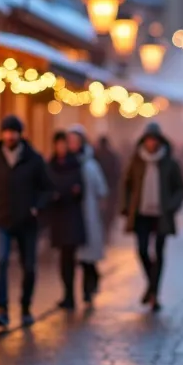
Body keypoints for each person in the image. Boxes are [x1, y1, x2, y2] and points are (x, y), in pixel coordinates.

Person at [0, 115, 52, 328]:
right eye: (6, 131)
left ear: (20, 134)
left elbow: (47, 188)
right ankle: (2, 309)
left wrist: (36, 207)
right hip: (1, 220)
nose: (10, 136)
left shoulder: (34, 159)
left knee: (29, 267)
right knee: (0, 261)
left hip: (27, 222)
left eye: (13, 132)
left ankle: (25, 307)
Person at [121, 123, 183, 312]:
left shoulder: (170, 162)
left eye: (154, 140)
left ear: (159, 141)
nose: (151, 144)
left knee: (159, 253)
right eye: (148, 140)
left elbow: (181, 188)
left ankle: (154, 295)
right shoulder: (136, 161)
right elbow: (126, 184)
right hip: (141, 215)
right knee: (142, 250)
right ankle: (151, 286)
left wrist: (171, 206)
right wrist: (126, 207)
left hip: (161, 216)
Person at [46, 130, 86, 310]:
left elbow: (78, 189)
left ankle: (73, 294)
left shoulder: (75, 164)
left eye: (64, 144)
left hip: (72, 217)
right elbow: (48, 188)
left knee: (70, 256)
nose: (61, 148)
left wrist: (63, 192)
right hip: (58, 218)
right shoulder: (50, 165)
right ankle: (67, 294)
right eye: (58, 144)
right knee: (63, 259)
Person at [70, 126, 109, 305]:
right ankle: (71, 294)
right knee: (74, 257)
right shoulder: (65, 164)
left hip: (88, 214)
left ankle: (88, 287)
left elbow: (101, 189)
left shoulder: (90, 165)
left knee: (87, 257)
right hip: (70, 216)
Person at [94, 135, 123, 241]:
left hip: (100, 192)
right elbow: (118, 174)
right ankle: (106, 233)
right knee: (108, 215)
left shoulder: (96, 156)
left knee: (100, 214)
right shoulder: (113, 156)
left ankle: (102, 234)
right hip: (111, 190)